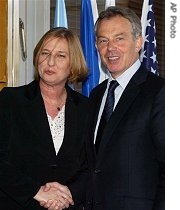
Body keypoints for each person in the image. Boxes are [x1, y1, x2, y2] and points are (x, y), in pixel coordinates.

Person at [85, 6, 165, 210]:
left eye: (119, 38)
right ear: (96, 46)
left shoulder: (159, 92)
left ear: (138, 42)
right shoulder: (96, 95)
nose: (110, 48)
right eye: (103, 40)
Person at [0, 27, 89, 210]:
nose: (50, 62)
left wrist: (69, 193)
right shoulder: (10, 100)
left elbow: (91, 165)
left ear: (73, 64)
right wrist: (36, 191)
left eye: (61, 56)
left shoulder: (86, 108)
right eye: (45, 53)